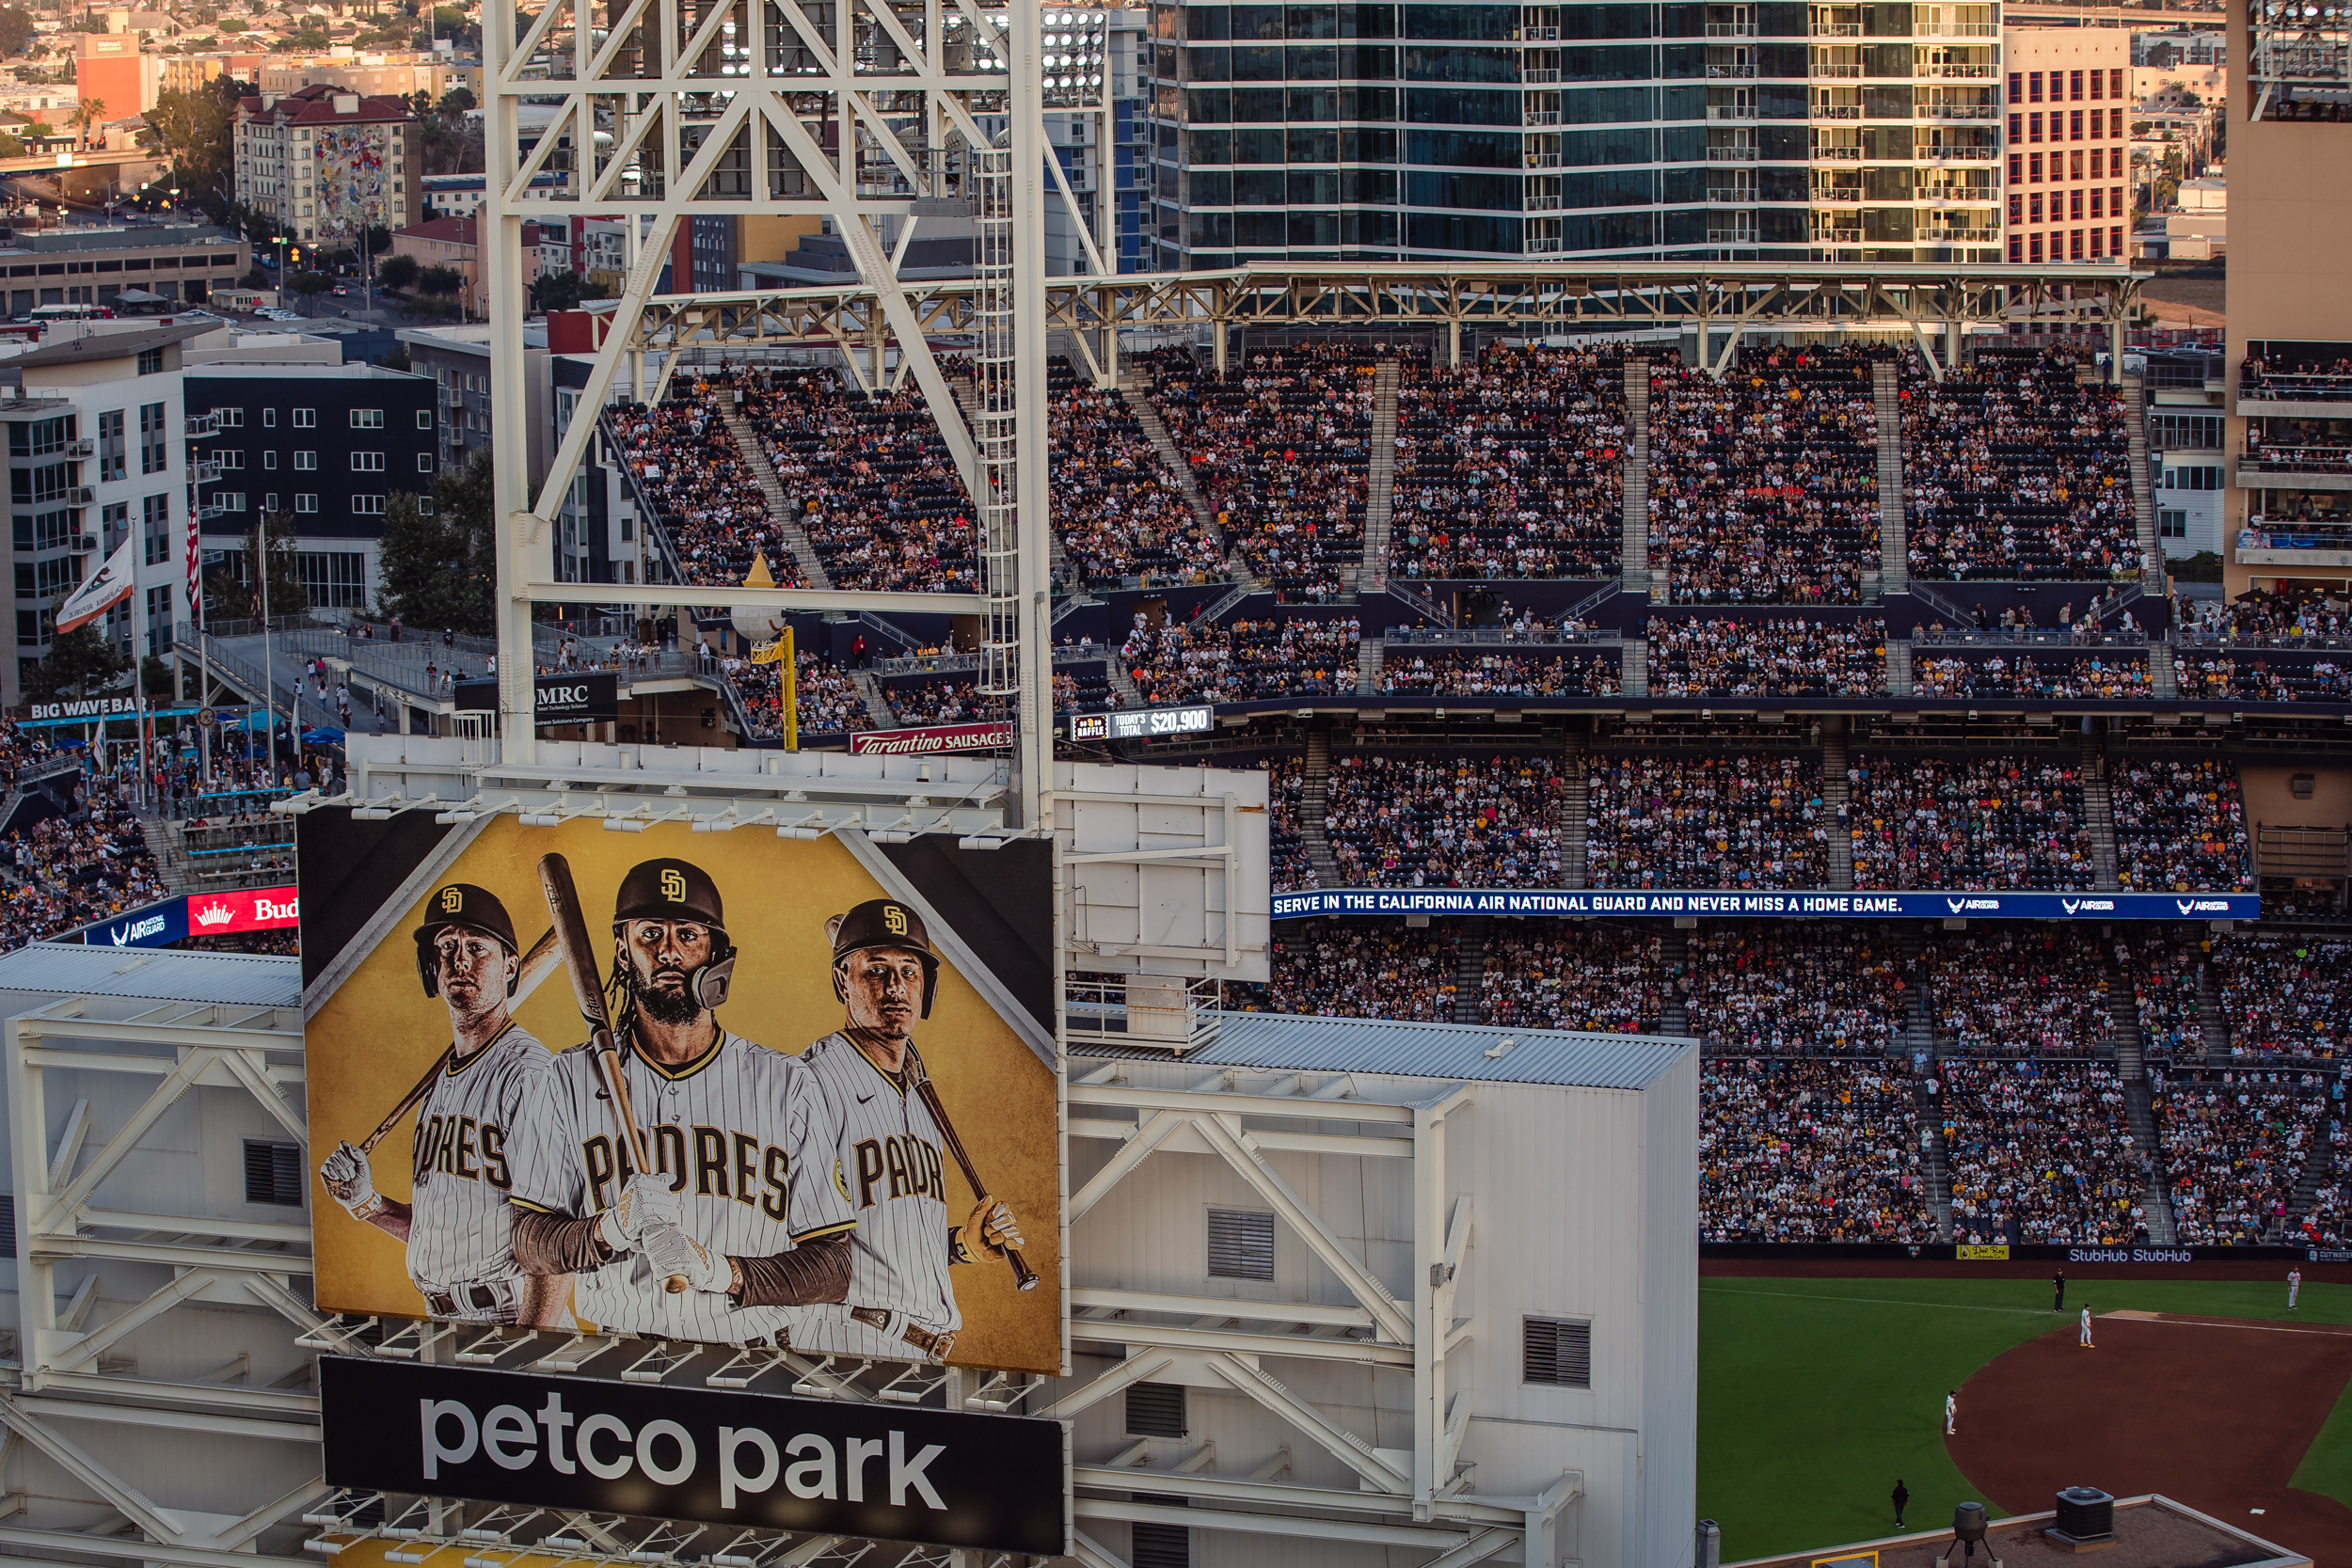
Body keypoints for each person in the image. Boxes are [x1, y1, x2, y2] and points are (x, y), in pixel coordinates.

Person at [504, 858, 857, 1342]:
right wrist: (607, 1230)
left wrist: (721, 1271)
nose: (669, 951)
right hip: (618, 1355)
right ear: (623, 952)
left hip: (751, 1359)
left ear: (717, 954)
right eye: (650, 934)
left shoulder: (787, 1084)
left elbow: (835, 1264)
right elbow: (529, 1242)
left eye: (688, 935)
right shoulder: (566, 1078)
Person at [315, 883, 570, 1326]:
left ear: (511, 965)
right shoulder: (438, 1088)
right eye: (447, 946)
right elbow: (444, 1234)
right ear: (431, 968)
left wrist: (532, 1349)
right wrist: (368, 1204)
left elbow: (555, 1238)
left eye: (477, 946)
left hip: (513, 1318)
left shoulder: (528, 1075)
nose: (460, 960)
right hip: (442, 1320)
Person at [790, 897, 1025, 1363]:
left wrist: (962, 1246)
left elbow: (890, 1235)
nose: (895, 987)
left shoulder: (920, 1095)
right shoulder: (812, 1083)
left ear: (925, 987)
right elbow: (796, 1240)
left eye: (909, 971)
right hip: (845, 1341)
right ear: (843, 980)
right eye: (876, 970)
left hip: (921, 1350)